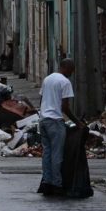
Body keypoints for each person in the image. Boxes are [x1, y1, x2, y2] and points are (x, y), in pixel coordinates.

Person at [37, 58, 84, 196]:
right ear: (66, 67)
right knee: (57, 154)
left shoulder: (47, 79)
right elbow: (65, 107)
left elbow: (42, 99)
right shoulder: (65, 82)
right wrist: (77, 122)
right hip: (55, 121)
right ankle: (57, 184)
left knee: (47, 153)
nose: (72, 73)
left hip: (43, 120)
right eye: (72, 70)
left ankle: (47, 182)